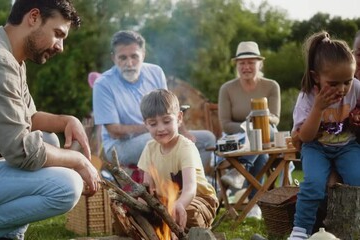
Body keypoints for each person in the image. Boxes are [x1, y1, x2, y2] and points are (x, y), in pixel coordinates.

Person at [0, 1, 101, 239]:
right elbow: (23, 152)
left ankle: (6, 234)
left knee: (48, 139)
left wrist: (66, 120)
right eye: (58, 34)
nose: (61, 47)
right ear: (33, 17)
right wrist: (77, 160)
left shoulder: (9, 54)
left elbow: (28, 118)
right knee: (66, 187)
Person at [92, 30, 216, 170]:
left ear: (143, 55)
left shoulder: (155, 72)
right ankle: (171, 184)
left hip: (156, 132)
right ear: (113, 58)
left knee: (207, 139)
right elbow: (114, 131)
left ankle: (191, 185)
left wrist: (184, 132)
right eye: (123, 58)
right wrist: (154, 128)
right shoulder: (102, 84)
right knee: (158, 140)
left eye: (134, 56)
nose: (129, 63)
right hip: (119, 146)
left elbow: (170, 109)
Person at [288, 31, 360, 239]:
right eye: (334, 83)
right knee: (313, 184)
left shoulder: (354, 87)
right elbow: (306, 137)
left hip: (347, 145)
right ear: (315, 77)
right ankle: (300, 231)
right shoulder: (308, 97)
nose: (342, 89)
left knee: (357, 179)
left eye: (347, 81)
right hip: (316, 147)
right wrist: (318, 109)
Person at [137, 89, 218, 233]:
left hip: (197, 200)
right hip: (168, 203)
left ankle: (187, 228)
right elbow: (148, 189)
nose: (161, 128)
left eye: (167, 121)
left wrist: (179, 204)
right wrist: (140, 208)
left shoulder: (185, 147)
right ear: (146, 124)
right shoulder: (149, 148)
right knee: (139, 212)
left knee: (188, 213)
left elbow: (190, 189)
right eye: (153, 124)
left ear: (179, 118)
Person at [218, 41, 281, 218]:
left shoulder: (271, 86)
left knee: (262, 130)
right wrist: (249, 127)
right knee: (262, 153)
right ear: (236, 65)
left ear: (259, 64)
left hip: (267, 133)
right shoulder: (227, 88)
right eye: (242, 63)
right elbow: (225, 123)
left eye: (251, 62)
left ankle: (240, 171)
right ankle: (254, 203)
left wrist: (260, 120)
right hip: (237, 138)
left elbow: (275, 118)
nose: (246, 67)